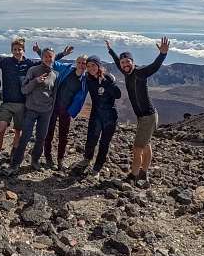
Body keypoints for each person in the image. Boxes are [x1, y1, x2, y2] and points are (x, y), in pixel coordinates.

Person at [0, 31, 67, 170]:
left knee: (18, 131)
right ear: (12, 51)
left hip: (23, 104)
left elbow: (47, 60)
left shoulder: (29, 64)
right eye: (15, 49)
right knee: (1, 129)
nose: (17, 52)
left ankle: (13, 155)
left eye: (20, 49)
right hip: (7, 102)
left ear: (23, 51)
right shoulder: (5, 62)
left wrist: (61, 55)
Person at [106, 37, 169, 187]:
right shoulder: (126, 73)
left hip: (148, 116)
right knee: (146, 145)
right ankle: (143, 174)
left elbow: (154, 66)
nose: (125, 64)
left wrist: (163, 54)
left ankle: (133, 176)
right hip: (143, 117)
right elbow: (116, 61)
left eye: (128, 62)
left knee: (137, 148)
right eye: (123, 63)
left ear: (132, 62)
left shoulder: (140, 72)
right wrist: (110, 50)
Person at [34, 44, 88, 170]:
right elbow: (49, 60)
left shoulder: (85, 79)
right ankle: (48, 157)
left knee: (64, 135)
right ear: (76, 62)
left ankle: (60, 160)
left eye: (84, 63)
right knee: (49, 133)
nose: (81, 65)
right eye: (79, 62)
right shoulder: (67, 69)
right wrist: (39, 51)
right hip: (54, 106)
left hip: (67, 110)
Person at [5, 47, 58, 176]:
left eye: (50, 56)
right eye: (45, 56)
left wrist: (50, 109)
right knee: (25, 137)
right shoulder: (33, 70)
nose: (48, 59)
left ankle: (35, 161)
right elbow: (24, 90)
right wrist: (35, 81)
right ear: (42, 57)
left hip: (45, 112)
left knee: (41, 138)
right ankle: (15, 163)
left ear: (54, 58)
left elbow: (54, 94)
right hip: (31, 109)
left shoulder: (55, 74)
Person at [72, 55, 121, 178]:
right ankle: (87, 159)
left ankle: (97, 167)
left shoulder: (108, 78)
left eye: (93, 65)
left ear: (99, 65)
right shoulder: (88, 78)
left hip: (110, 116)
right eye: (88, 66)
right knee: (91, 139)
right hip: (96, 114)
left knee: (104, 142)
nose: (90, 68)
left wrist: (106, 83)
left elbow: (118, 94)